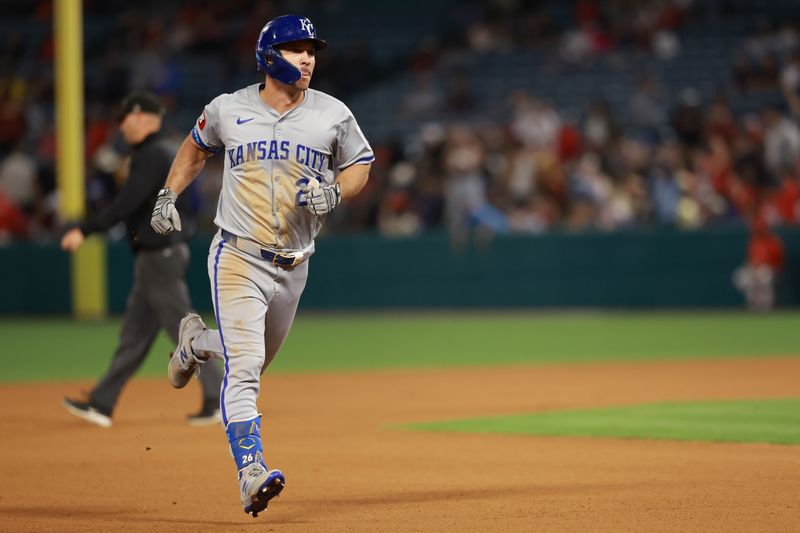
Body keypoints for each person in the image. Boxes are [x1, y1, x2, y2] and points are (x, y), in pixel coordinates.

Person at [149, 15, 373, 518]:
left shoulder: (332, 113)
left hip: (295, 264)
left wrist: (335, 190)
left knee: (247, 358)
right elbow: (194, 146)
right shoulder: (228, 109)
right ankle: (251, 473)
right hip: (238, 254)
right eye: (296, 48)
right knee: (246, 367)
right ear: (270, 55)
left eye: (311, 49)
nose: (308, 58)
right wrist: (169, 194)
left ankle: (193, 342)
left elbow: (360, 164)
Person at [61, 92, 223, 428]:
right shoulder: (163, 152)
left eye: (128, 118)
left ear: (147, 119)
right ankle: (102, 403)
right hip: (159, 254)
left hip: (159, 256)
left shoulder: (152, 154)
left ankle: (219, 397)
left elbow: (127, 204)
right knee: (134, 336)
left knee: (186, 333)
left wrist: (85, 230)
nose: (122, 125)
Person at [732, 215, 785, 311]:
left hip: (769, 270)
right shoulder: (754, 242)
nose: (759, 231)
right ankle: (753, 304)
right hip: (755, 269)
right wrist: (752, 269)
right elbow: (749, 260)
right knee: (741, 277)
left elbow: (778, 262)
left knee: (764, 275)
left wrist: (763, 268)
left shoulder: (774, 242)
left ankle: (766, 306)